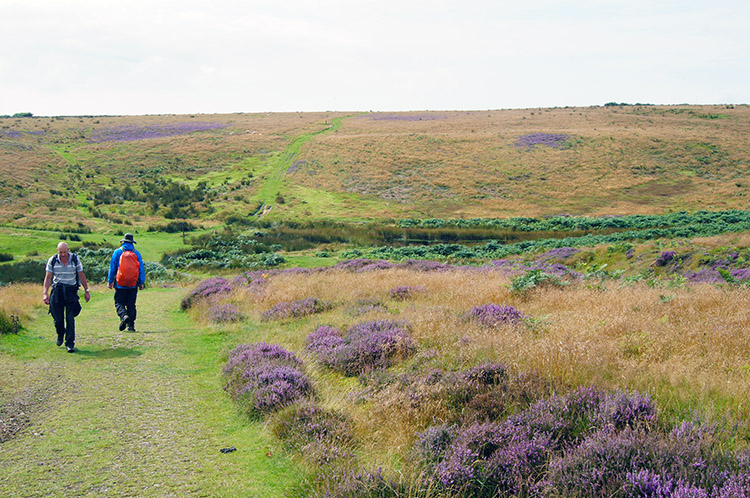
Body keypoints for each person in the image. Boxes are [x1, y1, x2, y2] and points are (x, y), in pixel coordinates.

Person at [43, 241, 91, 353]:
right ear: (57, 251)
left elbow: (81, 274)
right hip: (57, 291)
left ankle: (70, 344)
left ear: (68, 250)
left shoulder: (75, 259)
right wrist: (45, 293)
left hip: (71, 291)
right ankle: (60, 333)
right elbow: (48, 277)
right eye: (60, 252)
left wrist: (86, 290)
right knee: (58, 320)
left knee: (70, 319)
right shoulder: (52, 260)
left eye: (64, 252)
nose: (63, 254)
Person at [108, 233, 146, 332]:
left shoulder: (117, 252)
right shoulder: (137, 253)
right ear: (132, 243)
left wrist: (110, 281)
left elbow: (112, 268)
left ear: (123, 242)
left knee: (119, 302)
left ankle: (124, 316)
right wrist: (141, 282)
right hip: (133, 284)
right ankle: (131, 326)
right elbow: (141, 269)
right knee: (131, 304)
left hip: (120, 284)